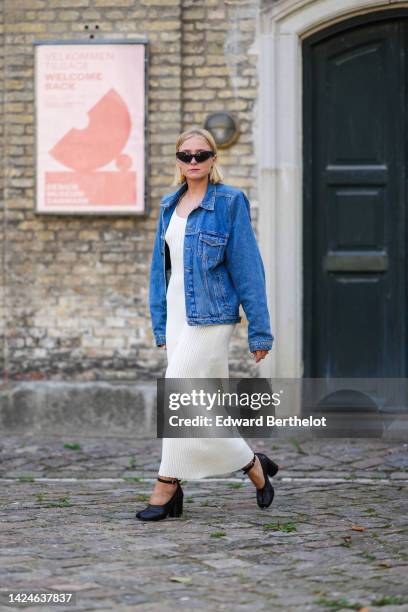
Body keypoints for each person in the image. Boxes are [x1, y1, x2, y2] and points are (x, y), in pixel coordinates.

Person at [136, 127, 279, 521]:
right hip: (180, 316)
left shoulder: (229, 201)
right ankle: (254, 466)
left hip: (213, 316)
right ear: (178, 162)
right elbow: (159, 272)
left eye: (202, 155)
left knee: (179, 393)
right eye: (186, 156)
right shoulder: (170, 204)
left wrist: (259, 328)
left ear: (214, 159)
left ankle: (166, 483)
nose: (194, 162)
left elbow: (248, 267)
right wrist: (161, 324)